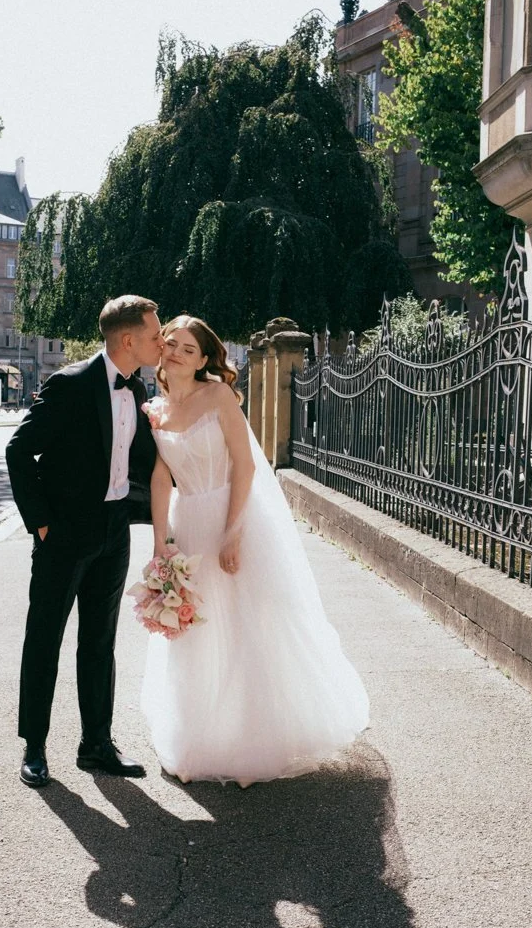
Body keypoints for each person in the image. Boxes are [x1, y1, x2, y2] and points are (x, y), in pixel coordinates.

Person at [141, 316, 369, 787]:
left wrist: (233, 532)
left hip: (230, 513)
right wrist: (161, 541)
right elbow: (161, 478)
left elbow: (245, 465)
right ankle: (201, 737)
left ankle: (252, 739)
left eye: (189, 348)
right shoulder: (155, 410)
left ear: (205, 359)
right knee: (196, 630)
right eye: (172, 344)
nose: (178, 353)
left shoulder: (219, 397)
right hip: (187, 525)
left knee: (249, 625)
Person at [6, 295, 164, 787]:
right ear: (128, 338)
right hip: (64, 534)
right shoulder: (70, 384)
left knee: (99, 641)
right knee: (45, 638)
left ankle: (96, 743)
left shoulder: (139, 388)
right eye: (156, 335)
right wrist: (42, 523)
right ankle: (34, 746)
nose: (161, 342)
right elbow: (18, 451)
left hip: (114, 532)